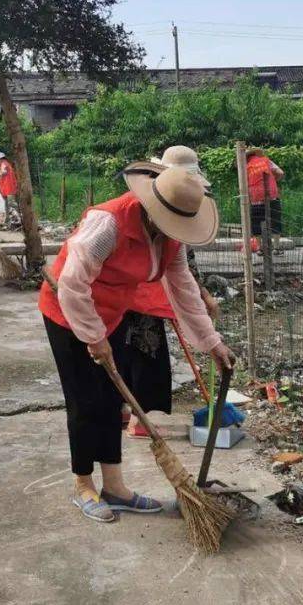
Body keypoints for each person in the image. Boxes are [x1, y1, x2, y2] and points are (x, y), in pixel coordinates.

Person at [40, 164, 235, 523]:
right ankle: (83, 484)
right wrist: (93, 337)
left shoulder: (169, 239)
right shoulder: (108, 225)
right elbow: (71, 285)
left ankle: (115, 488)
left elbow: (184, 290)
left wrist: (212, 342)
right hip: (69, 313)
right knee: (85, 400)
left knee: (112, 399)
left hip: (112, 312)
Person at [119, 146, 220, 437]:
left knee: (137, 348)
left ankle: (135, 410)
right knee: (144, 350)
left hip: (154, 284)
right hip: (137, 287)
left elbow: (182, 263)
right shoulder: (152, 201)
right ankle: (146, 415)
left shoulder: (180, 198)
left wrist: (202, 296)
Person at [246, 148, 284, 252]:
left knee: (257, 222)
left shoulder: (246, 166)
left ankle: (260, 248)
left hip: (256, 198)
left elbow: (245, 183)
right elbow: (280, 172)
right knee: (275, 220)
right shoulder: (266, 161)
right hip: (271, 195)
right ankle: (276, 248)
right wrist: (272, 181)